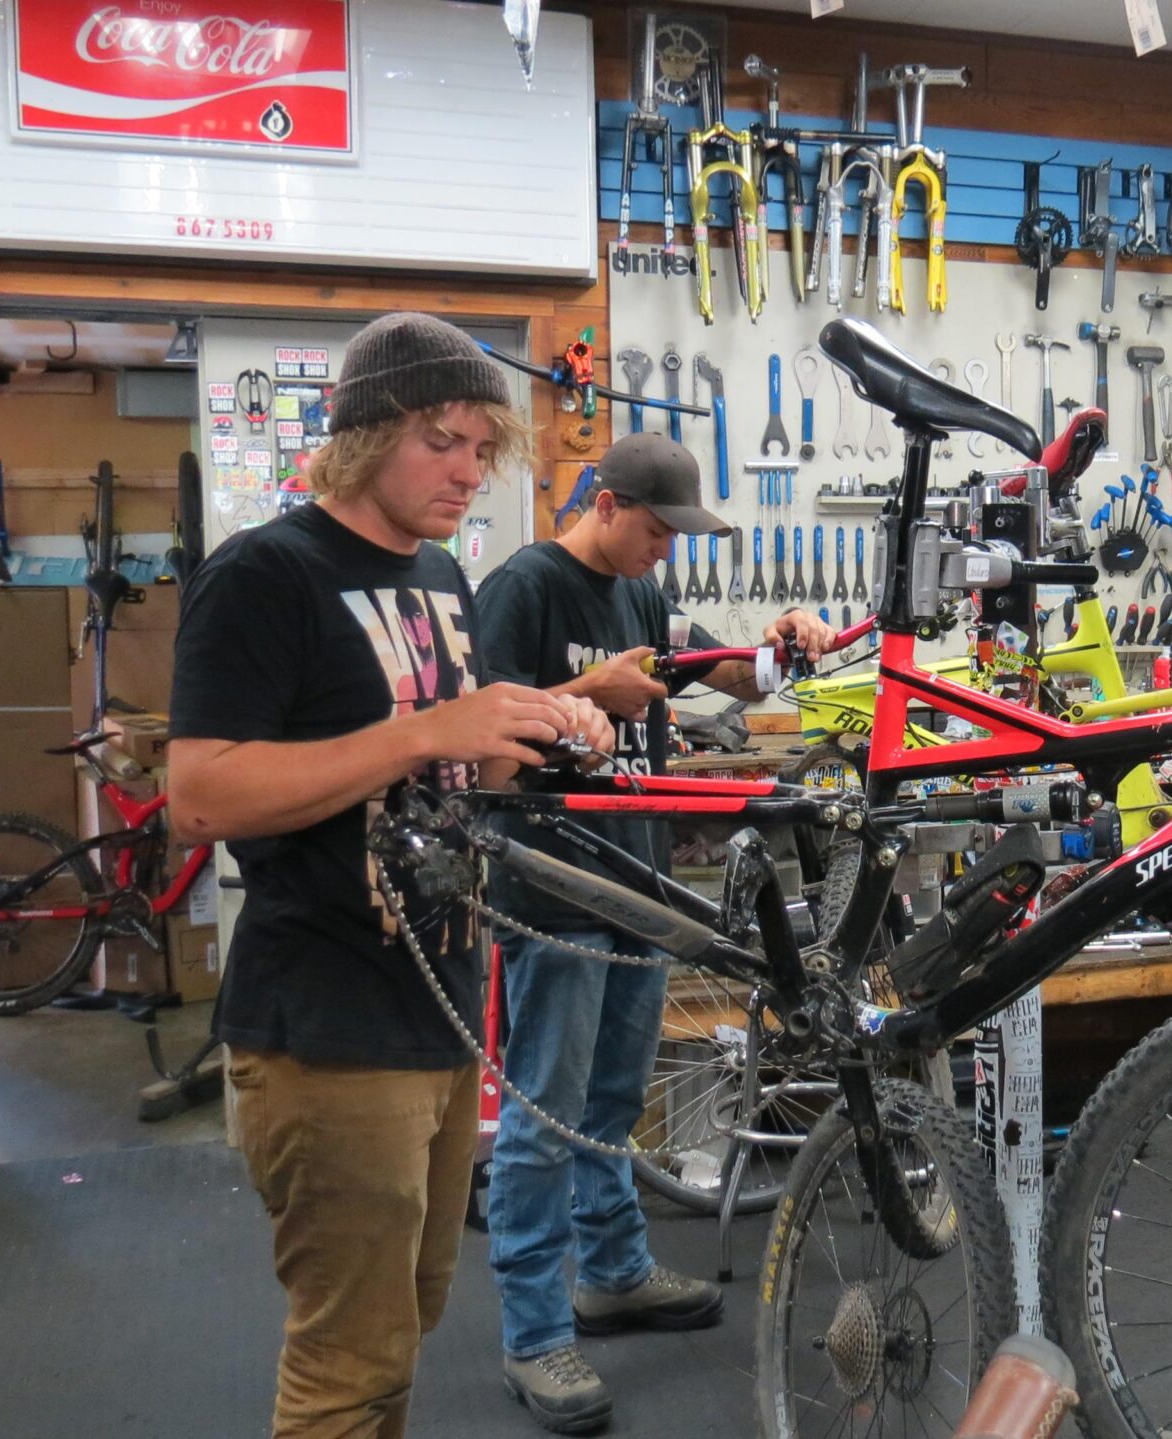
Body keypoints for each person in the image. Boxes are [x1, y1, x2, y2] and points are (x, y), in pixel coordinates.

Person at [169, 311, 615, 1439]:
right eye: (439, 440)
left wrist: (543, 730)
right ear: (365, 434)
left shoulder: (441, 575)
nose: (466, 470)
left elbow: (447, 772)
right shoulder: (264, 574)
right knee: (348, 1360)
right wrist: (425, 730)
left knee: (405, 1320)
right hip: (325, 1024)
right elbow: (201, 796)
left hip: (437, 1009)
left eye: (480, 447)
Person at [473, 433, 835, 1434]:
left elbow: (725, 676)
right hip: (554, 887)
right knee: (546, 1118)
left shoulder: (639, 595)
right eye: (657, 529)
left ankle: (614, 1271)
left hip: (637, 880)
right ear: (606, 502)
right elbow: (477, 740)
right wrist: (588, 694)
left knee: (612, 1100)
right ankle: (534, 1331)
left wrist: (782, 644)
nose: (667, 549)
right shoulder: (524, 587)